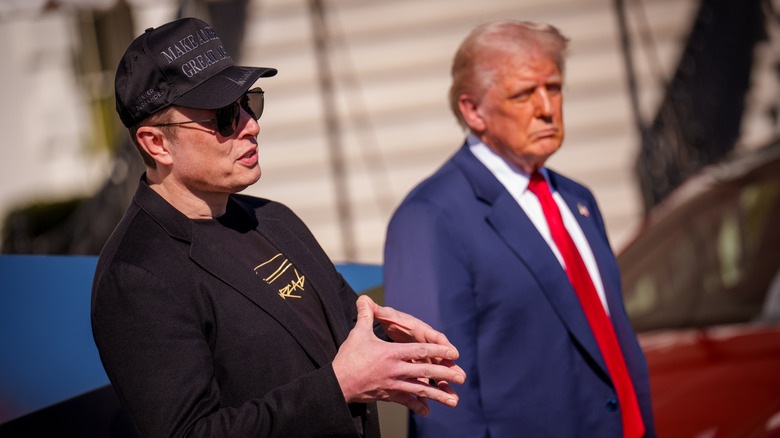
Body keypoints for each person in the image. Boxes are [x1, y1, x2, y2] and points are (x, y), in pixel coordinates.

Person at [91, 17, 465, 438]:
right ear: (156, 143)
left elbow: (336, 342)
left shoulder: (273, 217)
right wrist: (339, 387)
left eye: (249, 102)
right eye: (224, 115)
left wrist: (396, 352)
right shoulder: (137, 275)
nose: (251, 124)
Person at [383, 21, 656, 437]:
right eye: (524, 93)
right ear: (473, 111)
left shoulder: (577, 199)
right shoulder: (431, 216)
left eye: (555, 87)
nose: (547, 107)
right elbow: (440, 400)